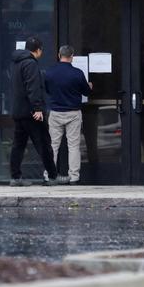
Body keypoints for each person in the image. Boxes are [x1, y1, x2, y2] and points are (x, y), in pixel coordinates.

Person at [9, 36, 61, 187]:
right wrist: (37, 108)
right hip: (31, 112)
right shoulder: (31, 64)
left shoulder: (16, 63)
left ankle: (15, 177)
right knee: (43, 144)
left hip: (18, 111)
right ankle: (52, 176)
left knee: (18, 146)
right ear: (38, 50)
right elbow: (33, 87)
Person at [45, 45, 92, 185]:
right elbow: (86, 92)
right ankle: (74, 177)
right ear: (72, 56)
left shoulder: (50, 72)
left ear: (59, 55)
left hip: (55, 112)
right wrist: (89, 86)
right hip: (73, 112)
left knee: (53, 145)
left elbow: (47, 90)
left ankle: (49, 176)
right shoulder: (77, 73)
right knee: (73, 146)